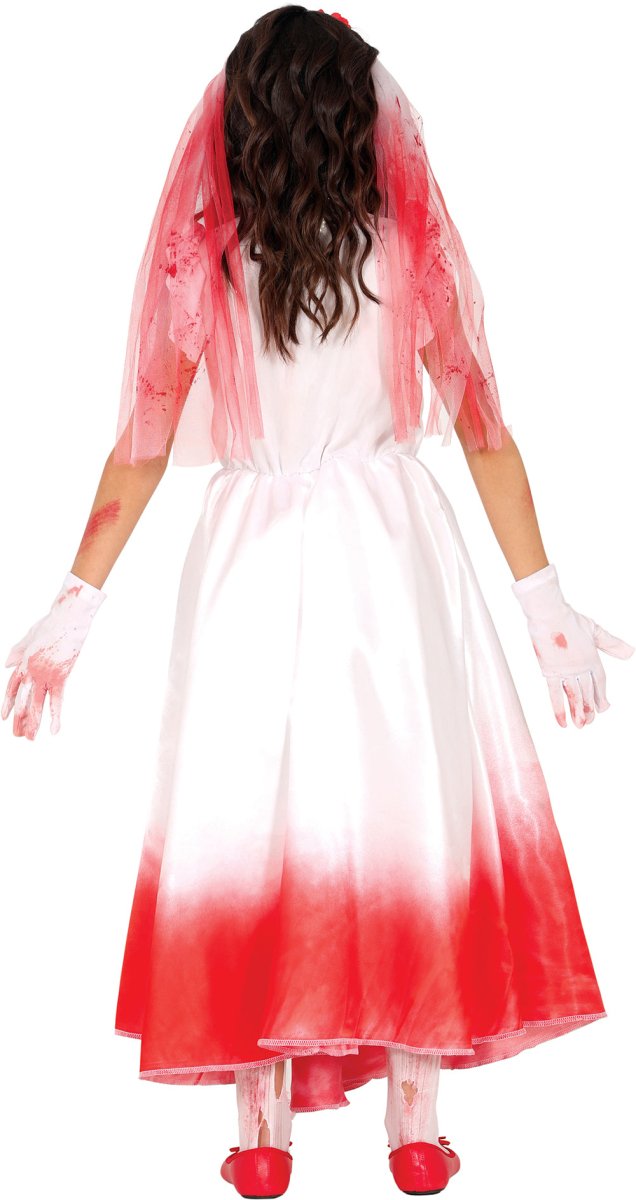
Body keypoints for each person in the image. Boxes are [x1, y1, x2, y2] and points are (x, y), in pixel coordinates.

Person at [2, 7, 633, 1198]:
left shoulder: (205, 261)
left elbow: (142, 445)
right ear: (367, 118)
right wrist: (541, 600)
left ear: (237, 121)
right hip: (392, 549)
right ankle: (415, 1122)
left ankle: (263, 1131)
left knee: (251, 814)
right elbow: (485, 431)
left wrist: (74, 602)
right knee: (408, 811)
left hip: (251, 555)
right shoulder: (410, 253)